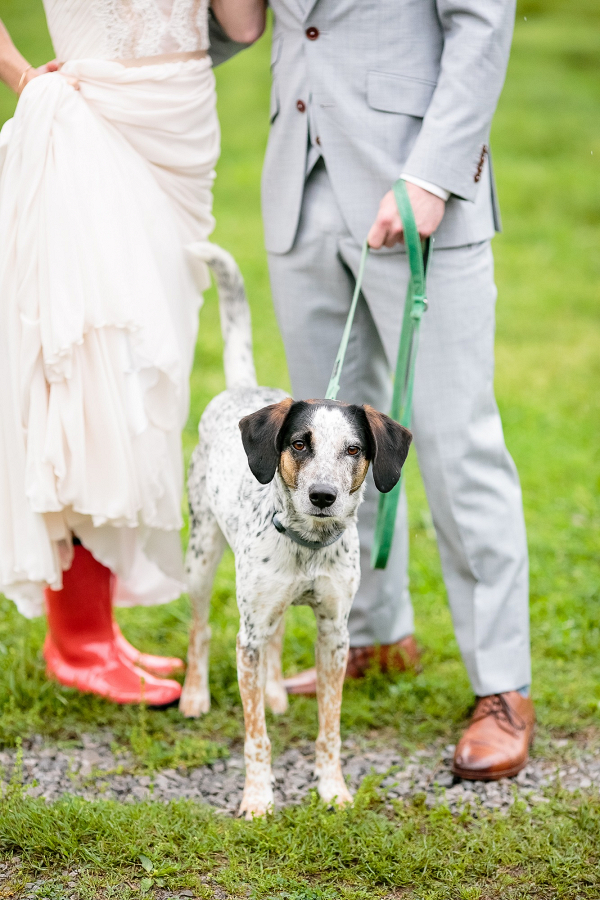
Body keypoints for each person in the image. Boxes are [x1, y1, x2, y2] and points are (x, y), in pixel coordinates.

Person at [212, 0, 536, 780]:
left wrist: (433, 173)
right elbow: (248, 23)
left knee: (457, 442)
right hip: (300, 180)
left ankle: (503, 687)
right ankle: (378, 633)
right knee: (330, 447)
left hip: (415, 184)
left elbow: (482, 23)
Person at [0, 1, 264, 706]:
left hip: (180, 129)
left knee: (150, 380)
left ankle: (100, 629)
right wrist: (21, 75)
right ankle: (75, 641)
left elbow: (242, 25)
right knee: (95, 370)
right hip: (91, 122)